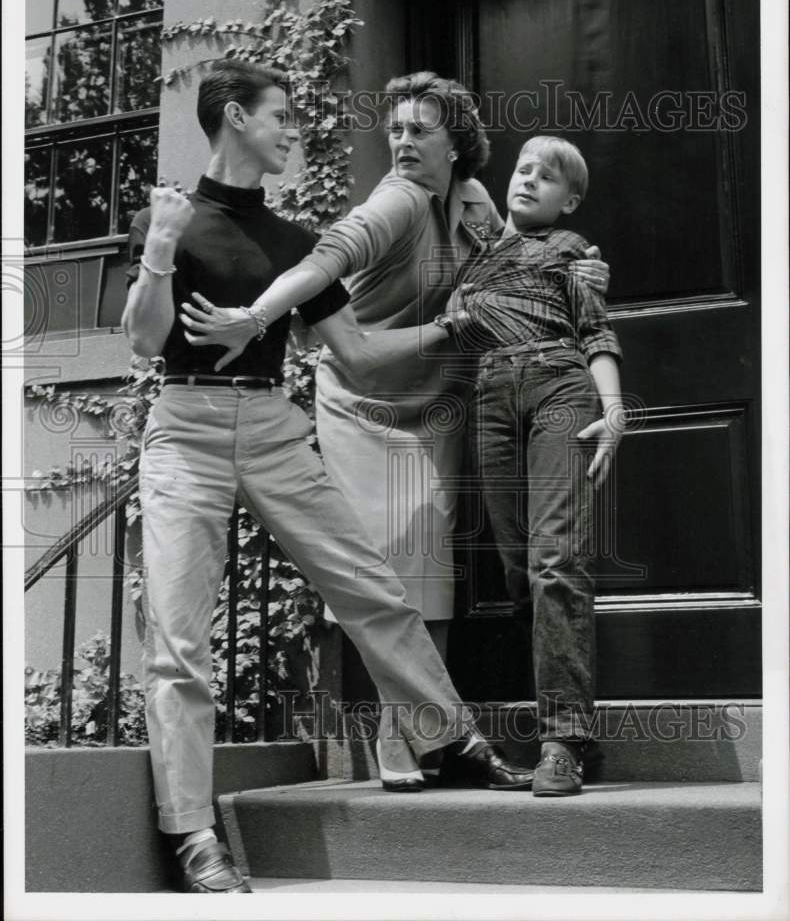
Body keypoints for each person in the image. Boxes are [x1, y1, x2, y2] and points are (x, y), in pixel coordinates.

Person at [122, 59, 535, 895]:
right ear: (236, 117)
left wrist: (457, 326)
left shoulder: (292, 242)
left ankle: (449, 736)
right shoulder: (167, 220)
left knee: (372, 586)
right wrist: (159, 253)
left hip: (274, 425)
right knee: (179, 641)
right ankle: (194, 833)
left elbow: (355, 353)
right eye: (280, 117)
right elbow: (143, 340)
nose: (293, 131)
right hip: (186, 429)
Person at [181, 71, 610, 788]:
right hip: (364, 403)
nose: (404, 142)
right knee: (389, 574)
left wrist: (581, 267)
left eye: (420, 130)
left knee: (429, 575)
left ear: (457, 141)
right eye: (398, 130)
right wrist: (255, 317)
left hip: (435, 401)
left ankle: (415, 731)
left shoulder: (474, 202)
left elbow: (521, 264)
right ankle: (396, 738)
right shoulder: (396, 201)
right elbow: (323, 261)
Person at [449, 135, 624, 796]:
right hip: (492, 402)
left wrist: (613, 409)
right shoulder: (477, 254)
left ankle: (560, 743)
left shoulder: (572, 253)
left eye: (545, 178)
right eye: (521, 170)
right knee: (521, 570)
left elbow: (597, 333)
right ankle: (580, 732)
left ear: (568, 200)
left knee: (557, 560)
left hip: (558, 387)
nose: (527, 181)